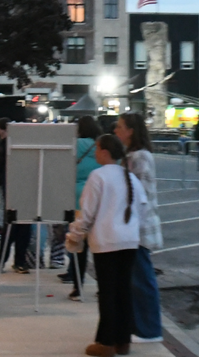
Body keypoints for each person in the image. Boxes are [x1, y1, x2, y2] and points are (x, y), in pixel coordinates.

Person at [66, 134, 147, 357]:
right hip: (129, 240)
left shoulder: (98, 176)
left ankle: (106, 341)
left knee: (108, 292)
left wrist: (76, 232)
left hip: (106, 241)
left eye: (97, 148)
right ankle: (123, 340)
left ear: (104, 152)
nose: (94, 152)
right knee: (123, 291)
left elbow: (87, 211)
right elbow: (142, 207)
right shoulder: (129, 176)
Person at [115, 113, 164, 344]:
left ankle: (150, 330)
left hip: (138, 228)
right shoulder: (131, 155)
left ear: (131, 130)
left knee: (142, 279)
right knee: (136, 279)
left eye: (120, 126)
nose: (116, 130)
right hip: (132, 226)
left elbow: (138, 195)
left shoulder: (140, 157)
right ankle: (141, 326)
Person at [61, 116, 102, 301]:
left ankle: (78, 287)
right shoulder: (102, 146)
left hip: (78, 198)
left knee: (79, 246)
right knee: (99, 248)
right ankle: (103, 287)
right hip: (100, 198)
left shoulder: (74, 145)